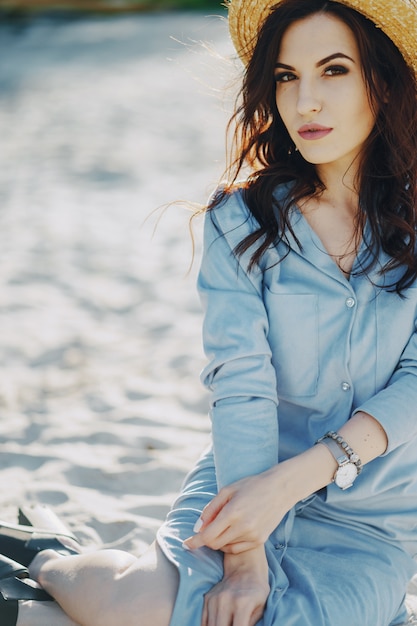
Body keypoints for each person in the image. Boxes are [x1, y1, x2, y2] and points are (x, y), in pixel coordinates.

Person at [1, 0, 417, 624]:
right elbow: (241, 383)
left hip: (369, 511)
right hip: (243, 475)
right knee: (149, 606)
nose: (305, 101)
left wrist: (300, 477)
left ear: (381, 82)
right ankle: (44, 559)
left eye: (334, 70)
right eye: (285, 76)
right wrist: (245, 551)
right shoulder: (241, 222)